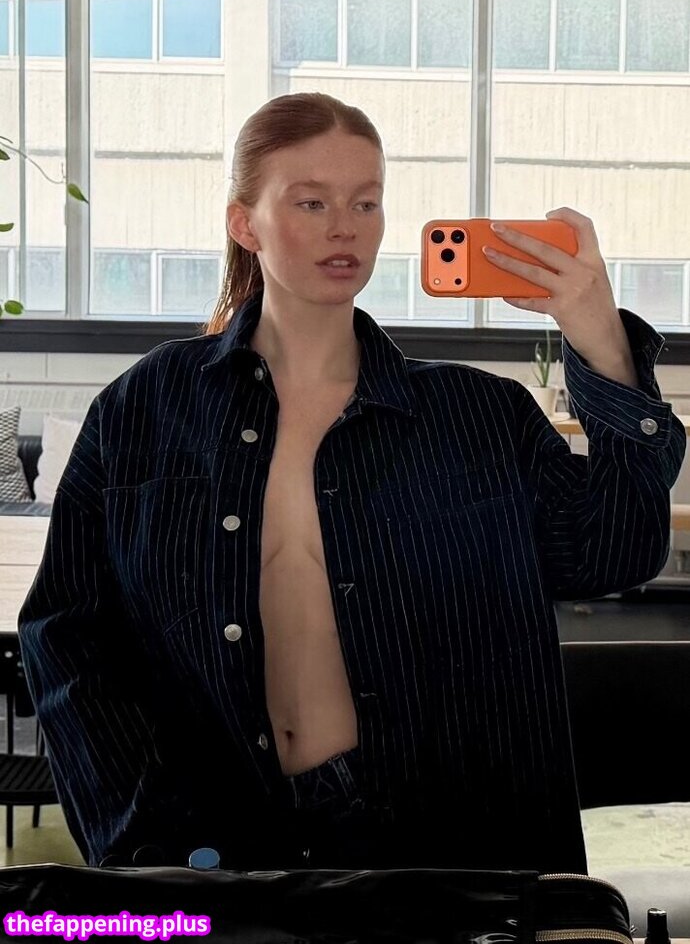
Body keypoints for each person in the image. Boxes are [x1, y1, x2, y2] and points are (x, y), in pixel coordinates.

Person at [18, 92, 686, 875]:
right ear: (245, 224)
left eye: (366, 203)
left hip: (445, 851)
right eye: (312, 202)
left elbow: (616, 549)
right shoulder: (146, 409)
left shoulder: (478, 415)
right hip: (223, 845)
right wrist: (140, 838)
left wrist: (600, 338)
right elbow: (66, 634)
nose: (347, 228)